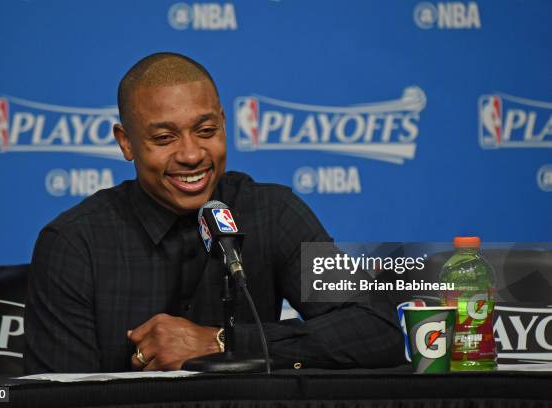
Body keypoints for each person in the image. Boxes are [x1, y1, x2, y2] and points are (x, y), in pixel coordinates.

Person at [24, 52, 404, 373]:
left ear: (224, 122)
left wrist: (222, 342)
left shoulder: (272, 213)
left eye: (206, 130)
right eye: (164, 138)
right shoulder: (74, 244)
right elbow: (56, 396)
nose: (191, 155)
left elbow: (375, 328)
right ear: (126, 143)